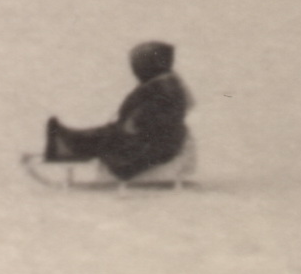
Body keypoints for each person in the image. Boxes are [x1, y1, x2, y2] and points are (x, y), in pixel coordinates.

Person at [40, 41, 194, 183]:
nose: (134, 69)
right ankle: (66, 141)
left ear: (149, 64)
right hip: (148, 139)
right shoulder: (164, 85)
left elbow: (148, 120)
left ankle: (65, 144)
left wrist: (128, 125)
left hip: (149, 145)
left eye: (137, 63)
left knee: (105, 136)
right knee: (104, 134)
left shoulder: (163, 88)